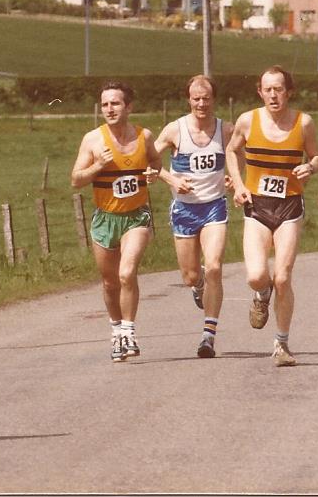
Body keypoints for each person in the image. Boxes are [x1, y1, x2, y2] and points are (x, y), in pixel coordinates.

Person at [226, 66, 318, 367]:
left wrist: (311, 167)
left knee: (283, 276)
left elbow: (317, 156)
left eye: (278, 88)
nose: (273, 94)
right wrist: (239, 185)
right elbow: (231, 151)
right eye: (267, 89)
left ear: (288, 91)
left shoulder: (303, 123)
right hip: (257, 206)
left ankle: (281, 344)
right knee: (257, 276)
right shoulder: (247, 120)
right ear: (260, 92)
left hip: (290, 206)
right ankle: (261, 294)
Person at [71, 81, 163, 362]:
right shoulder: (93, 140)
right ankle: (116, 330)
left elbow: (156, 163)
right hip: (105, 219)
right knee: (110, 283)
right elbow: (75, 180)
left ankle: (128, 331)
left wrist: (151, 174)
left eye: (115, 103)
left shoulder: (143, 136)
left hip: (136, 216)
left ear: (129, 107)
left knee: (127, 273)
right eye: (105, 104)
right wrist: (98, 165)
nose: (109, 109)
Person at [153, 75, 233, 359]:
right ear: (189, 100)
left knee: (213, 266)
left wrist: (235, 179)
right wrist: (171, 180)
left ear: (214, 99)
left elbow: (240, 158)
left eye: (206, 98)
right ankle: (197, 287)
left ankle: (208, 336)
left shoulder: (226, 130)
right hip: (185, 209)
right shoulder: (175, 130)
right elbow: (147, 161)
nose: (202, 103)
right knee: (190, 275)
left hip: (214, 207)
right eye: (196, 98)